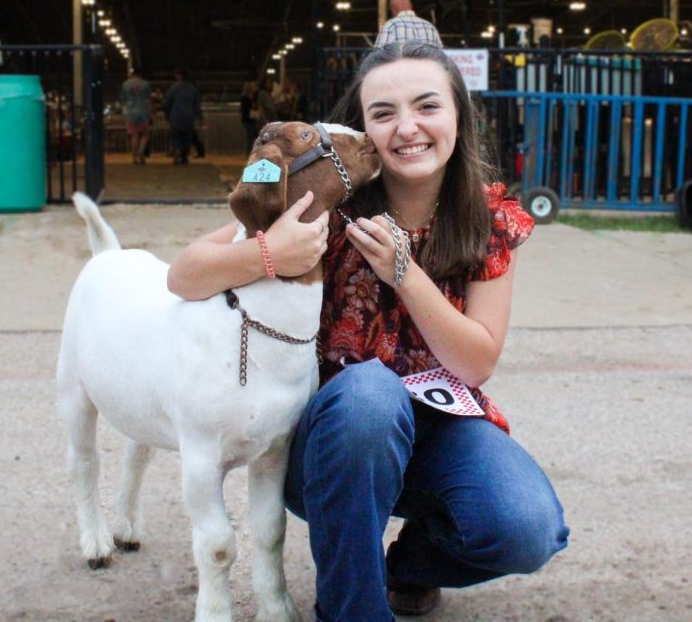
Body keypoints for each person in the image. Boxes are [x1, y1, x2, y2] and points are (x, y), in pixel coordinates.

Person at [167, 42, 568, 621]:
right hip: (334, 448)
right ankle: (352, 610)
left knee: (527, 529)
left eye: (427, 105)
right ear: (362, 129)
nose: (407, 128)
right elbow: (183, 275)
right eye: (383, 114)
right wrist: (268, 251)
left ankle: (404, 569)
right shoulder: (327, 200)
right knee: (370, 394)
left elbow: (476, 363)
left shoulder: (488, 219)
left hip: (438, 429)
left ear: (459, 113)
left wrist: (404, 273)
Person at [163, 67, 202, 165]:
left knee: (176, 136)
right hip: (189, 117)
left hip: (175, 115)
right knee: (187, 138)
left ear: (179, 76)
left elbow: (167, 102)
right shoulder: (192, 88)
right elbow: (196, 104)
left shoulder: (173, 88)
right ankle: (184, 156)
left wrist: (166, 112)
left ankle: (176, 151)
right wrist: (199, 115)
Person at [376, 0, 443, 48]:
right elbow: (441, 53)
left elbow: (378, 54)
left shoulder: (390, 25)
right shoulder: (430, 26)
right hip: (428, 64)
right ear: (411, 6)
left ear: (393, 9)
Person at [120, 68, 151, 165]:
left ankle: (134, 157)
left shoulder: (125, 84)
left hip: (131, 111)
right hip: (142, 110)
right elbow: (148, 99)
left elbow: (123, 98)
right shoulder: (146, 84)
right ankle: (141, 151)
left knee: (134, 135)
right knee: (145, 134)